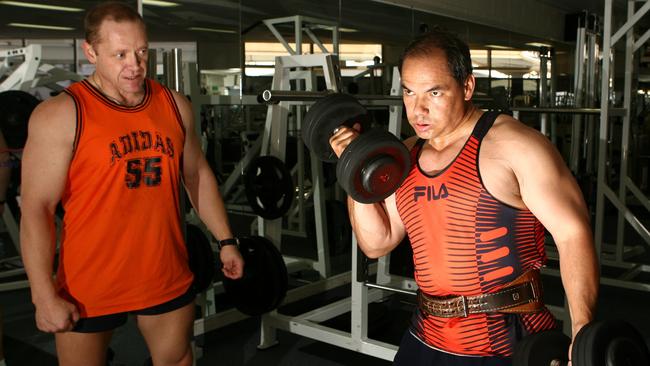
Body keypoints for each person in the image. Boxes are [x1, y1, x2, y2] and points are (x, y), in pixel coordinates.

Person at [330, 28, 599, 365]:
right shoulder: (405, 155)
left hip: (506, 339)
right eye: (409, 93)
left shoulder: (514, 146)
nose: (418, 109)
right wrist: (357, 170)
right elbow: (377, 243)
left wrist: (582, 329)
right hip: (427, 333)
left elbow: (572, 233)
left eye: (435, 93)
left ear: (467, 86)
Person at [19, 2, 244, 365]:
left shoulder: (173, 105)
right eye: (120, 54)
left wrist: (226, 240)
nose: (135, 65)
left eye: (141, 52)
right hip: (88, 281)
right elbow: (36, 208)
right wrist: (42, 294)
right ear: (91, 52)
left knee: (176, 359)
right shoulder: (60, 115)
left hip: (164, 270)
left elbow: (197, 174)